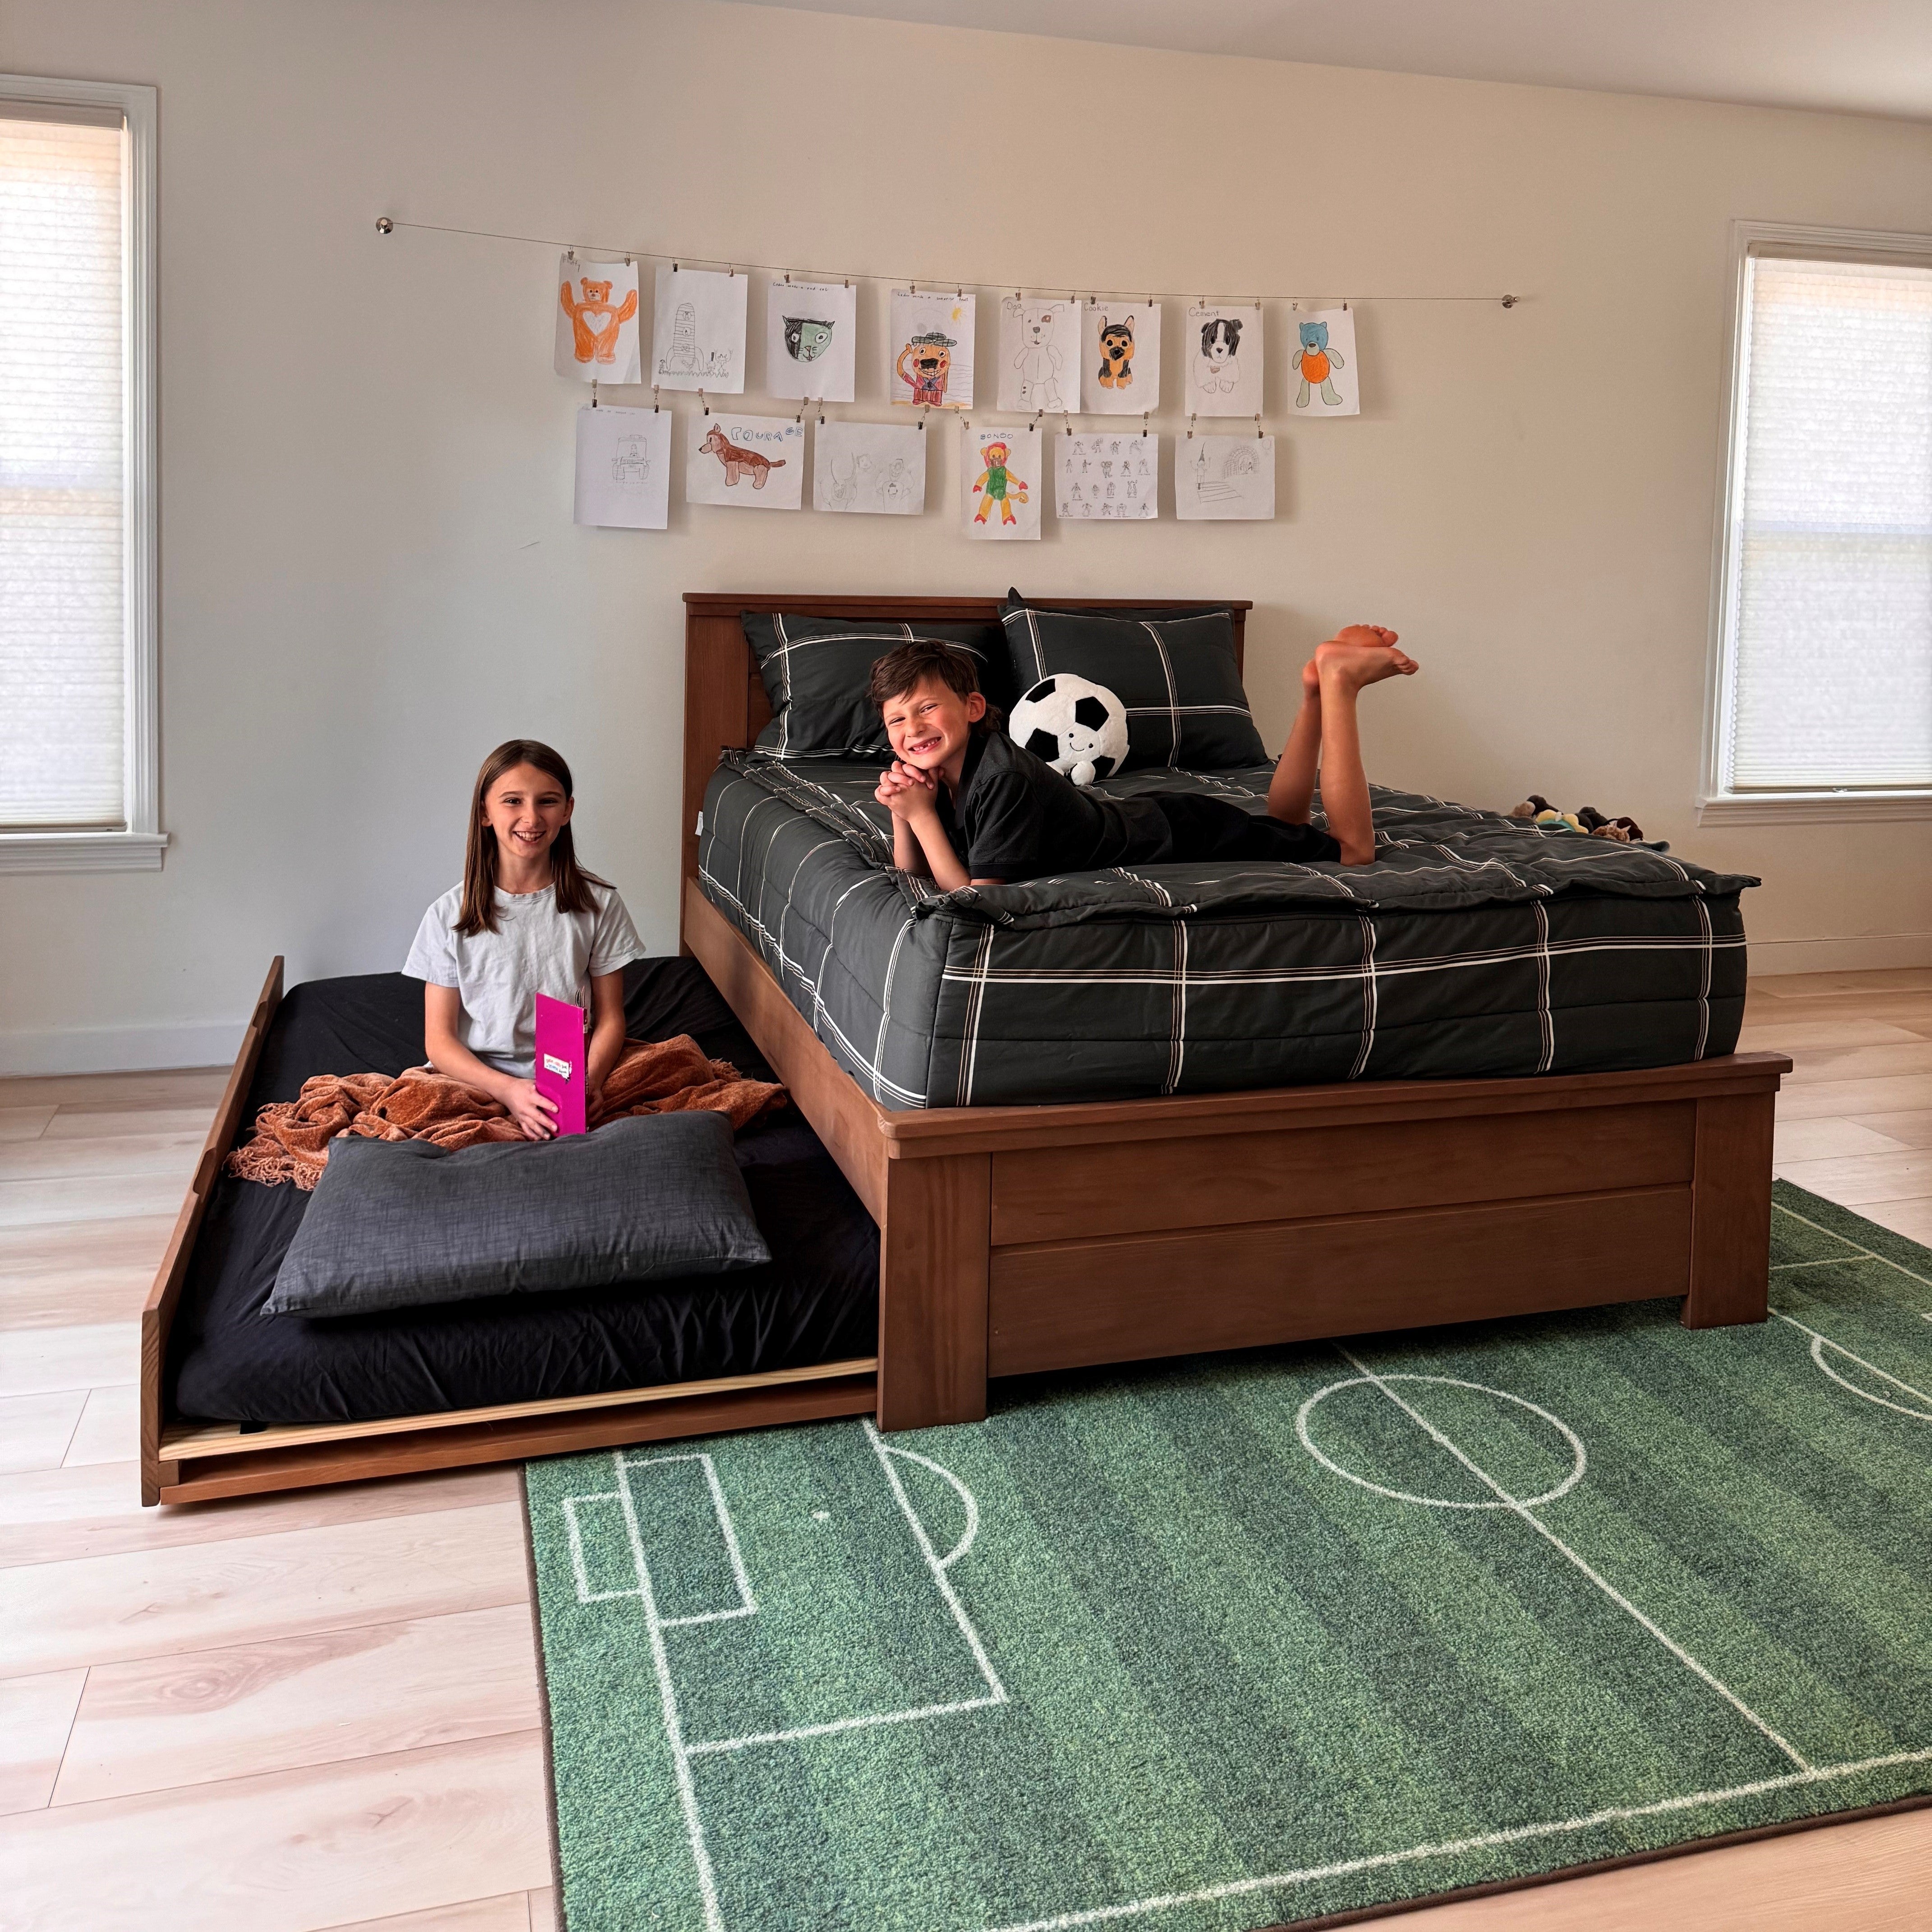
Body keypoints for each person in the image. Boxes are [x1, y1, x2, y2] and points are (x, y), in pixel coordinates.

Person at [866, 628, 1417, 889]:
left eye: (927, 709)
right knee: (1288, 828)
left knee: (1351, 854)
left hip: (1183, 837)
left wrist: (919, 817)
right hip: (1159, 820)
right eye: (896, 720)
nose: (912, 728)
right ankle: (1315, 687)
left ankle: (1340, 685)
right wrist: (903, 809)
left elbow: (975, 901)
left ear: (974, 708)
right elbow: (913, 872)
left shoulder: (1001, 777)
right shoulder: (945, 775)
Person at [405, 739, 644, 1140]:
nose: (531, 817)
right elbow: (440, 1042)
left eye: (547, 802)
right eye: (513, 801)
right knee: (415, 1107)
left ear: (568, 810)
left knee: (681, 1064)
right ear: (485, 812)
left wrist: (588, 1083)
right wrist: (510, 1091)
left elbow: (611, 1019)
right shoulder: (448, 915)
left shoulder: (600, 905)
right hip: (478, 1081)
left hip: (572, 1070)